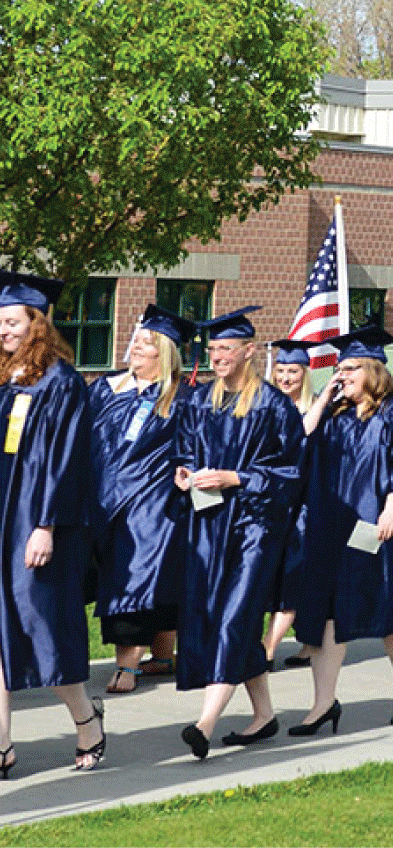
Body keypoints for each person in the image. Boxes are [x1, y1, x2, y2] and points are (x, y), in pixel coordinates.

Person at [173, 307, 304, 759]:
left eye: (226, 348)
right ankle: (264, 715)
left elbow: (290, 474)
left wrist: (237, 478)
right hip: (209, 526)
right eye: (212, 349)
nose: (217, 357)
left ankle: (205, 724)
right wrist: (185, 471)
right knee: (223, 617)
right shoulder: (198, 400)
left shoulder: (274, 406)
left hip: (255, 527)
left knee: (234, 615)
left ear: (250, 351)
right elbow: (184, 448)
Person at [291, 327, 393, 734]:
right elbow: (298, 442)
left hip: (377, 525)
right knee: (326, 615)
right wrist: (321, 399)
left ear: (373, 370)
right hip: (332, 527)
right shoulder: (332, 416)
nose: (342, 374)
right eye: (338, 368)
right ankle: (322, 704)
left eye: (350, 368)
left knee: (392, 613)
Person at [0, 271, 106, 778]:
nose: (3, 330)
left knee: (40, 624)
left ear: (37, 323)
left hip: (37, 524)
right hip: (2, 518)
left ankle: (86, 720)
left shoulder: (62, 383)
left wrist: (44, 525)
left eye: (12, 321)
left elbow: (66, 461)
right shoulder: (6, 381)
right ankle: (2, 745)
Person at [91, 305, 194, 695]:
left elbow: (196, 445)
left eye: (147, 343)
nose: (136, 346)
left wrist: (186, 470)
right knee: (134, 575)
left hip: (153, 503)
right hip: (104, 499)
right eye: (136, 339)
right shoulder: (106, 388)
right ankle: (163, 657)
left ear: (164, 353)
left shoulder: (181, 397)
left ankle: (128, 665)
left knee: (135, 576)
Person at [261, 338, 319, 671]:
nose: (285, 377)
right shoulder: (266, 407)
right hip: (272, 505)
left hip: (305, 506)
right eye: (280, 370)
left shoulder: (316, 410)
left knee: (293, 577)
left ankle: (268, 648)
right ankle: (310, 643)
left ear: (305, 374)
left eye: (293, 371)